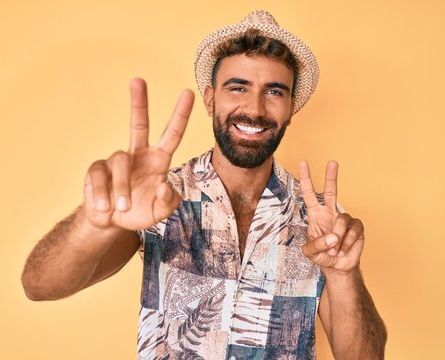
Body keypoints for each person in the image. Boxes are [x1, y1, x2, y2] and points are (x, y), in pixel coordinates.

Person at [22, 10, 387, 359]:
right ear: (211, 99)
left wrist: (343, 275)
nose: (255, 109)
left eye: (274, 91)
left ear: (291, 107)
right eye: (237, 87)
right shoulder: (159, 198)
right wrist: (95, 222)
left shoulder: (319, 220)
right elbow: (40, 286)